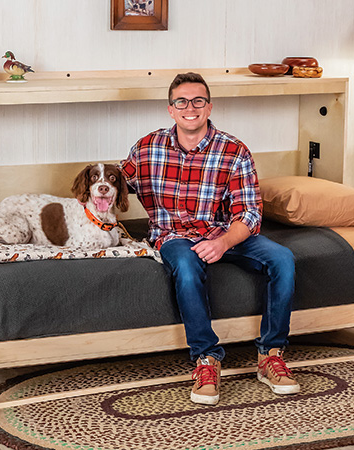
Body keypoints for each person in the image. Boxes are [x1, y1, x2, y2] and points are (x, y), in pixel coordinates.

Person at [119, 72, 299, 405]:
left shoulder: (234, 151)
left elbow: (249, 214)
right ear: (170, 109)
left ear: (209, 106)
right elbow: (114, 188)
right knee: (186, 268)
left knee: (283, 259)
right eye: (182, 102)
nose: (191, 107)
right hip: (173, 236)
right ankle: (206, 358)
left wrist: (223, 243)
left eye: (198, 101)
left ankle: (271, 354)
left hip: (226, 233)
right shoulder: (146, 148)